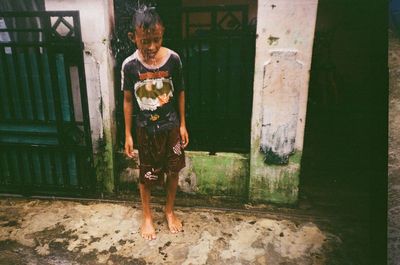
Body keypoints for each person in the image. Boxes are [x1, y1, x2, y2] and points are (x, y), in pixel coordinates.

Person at [122, 5, 189, 241]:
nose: (151, 47)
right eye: (145, 41)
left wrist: (182, 124)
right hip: (145, 131)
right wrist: (128, 134)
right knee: (147, 175)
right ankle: (148, 216)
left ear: (163, 34)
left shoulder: (173, 60)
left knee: (173, 170)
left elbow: (180, 91)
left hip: (170, 127)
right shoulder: (129, 65)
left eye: (156, 40)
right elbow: (128, 100)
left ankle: (169, 210)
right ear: (133, 38)